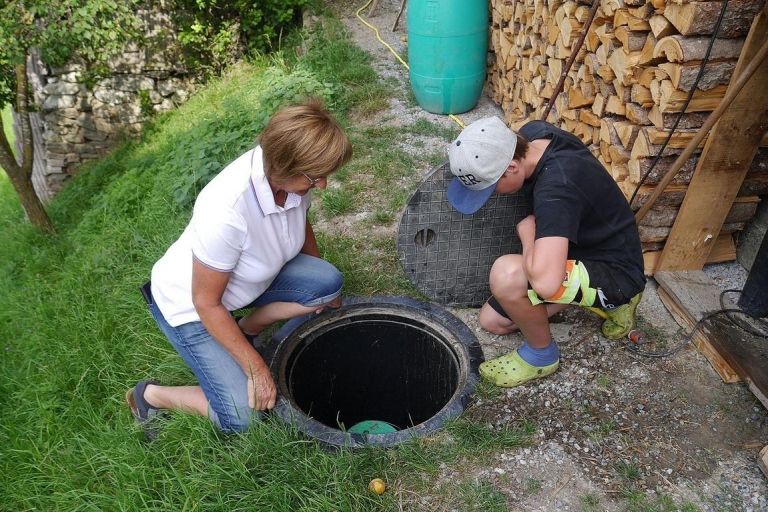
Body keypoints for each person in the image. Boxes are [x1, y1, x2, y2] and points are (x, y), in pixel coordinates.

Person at [126, 99, 352, 436]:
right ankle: (151, 396)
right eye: (315, 177)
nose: (322, 185)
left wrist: (319, 281)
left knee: (327, 282)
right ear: (284, 166)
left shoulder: (291, 180)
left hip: (247, 281)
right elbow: (206, 302)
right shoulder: (226, 211)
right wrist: (257, 370)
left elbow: (301, 223)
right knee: (244, 418)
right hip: (191, 305)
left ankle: (248, 327)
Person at [446, 116, 646, 388]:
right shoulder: (532, 136)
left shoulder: (556, 189)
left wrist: (529, 235)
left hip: (615, 269)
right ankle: (580, 297)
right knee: (493, 322)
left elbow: (546, 285)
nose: (492, 196)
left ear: (513, 166)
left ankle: (542, 355)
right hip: (577, 246)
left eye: (491, 188)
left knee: (507, 275)